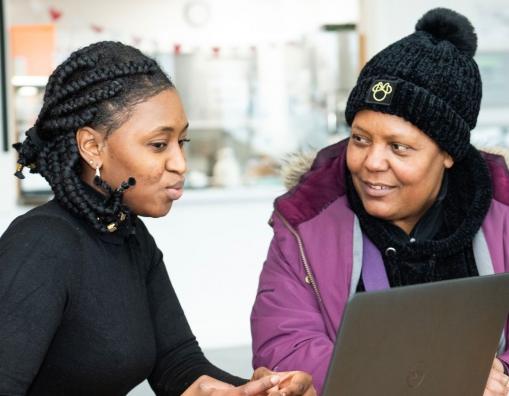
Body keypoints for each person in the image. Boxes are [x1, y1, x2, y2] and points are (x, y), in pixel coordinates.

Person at [0, 41, 316, 396]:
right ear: (92, 146)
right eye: (158, 144)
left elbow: (179, 366)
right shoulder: (41, 246)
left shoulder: (129, 235)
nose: (180, 163)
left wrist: (258, 390)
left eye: (182, 141)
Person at [250, 7, 509, 396]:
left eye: (399, 147)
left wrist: (496, 376)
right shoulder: (305, 219)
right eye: (360, 138)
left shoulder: (502, 210)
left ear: (448, 153)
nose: (371, 163)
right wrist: (436, 376)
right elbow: (284, 344)